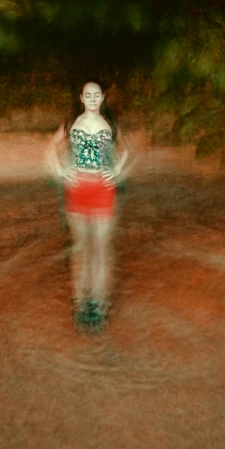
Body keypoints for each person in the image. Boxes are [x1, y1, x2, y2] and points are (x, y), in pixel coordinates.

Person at [46, 79, 134, 332]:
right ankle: (81, 302)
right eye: (88, 95)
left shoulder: (111, 124)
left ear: (102, 97)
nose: (93, 99)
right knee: (81, 249)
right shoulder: (72, 124)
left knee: (101, 250)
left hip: (103, 190)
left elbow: (126, 149)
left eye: (97, 95)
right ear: (81, 98)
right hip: (78, 190)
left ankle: (99, 303)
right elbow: (52, 148)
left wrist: (117, 171)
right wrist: (61, 171)